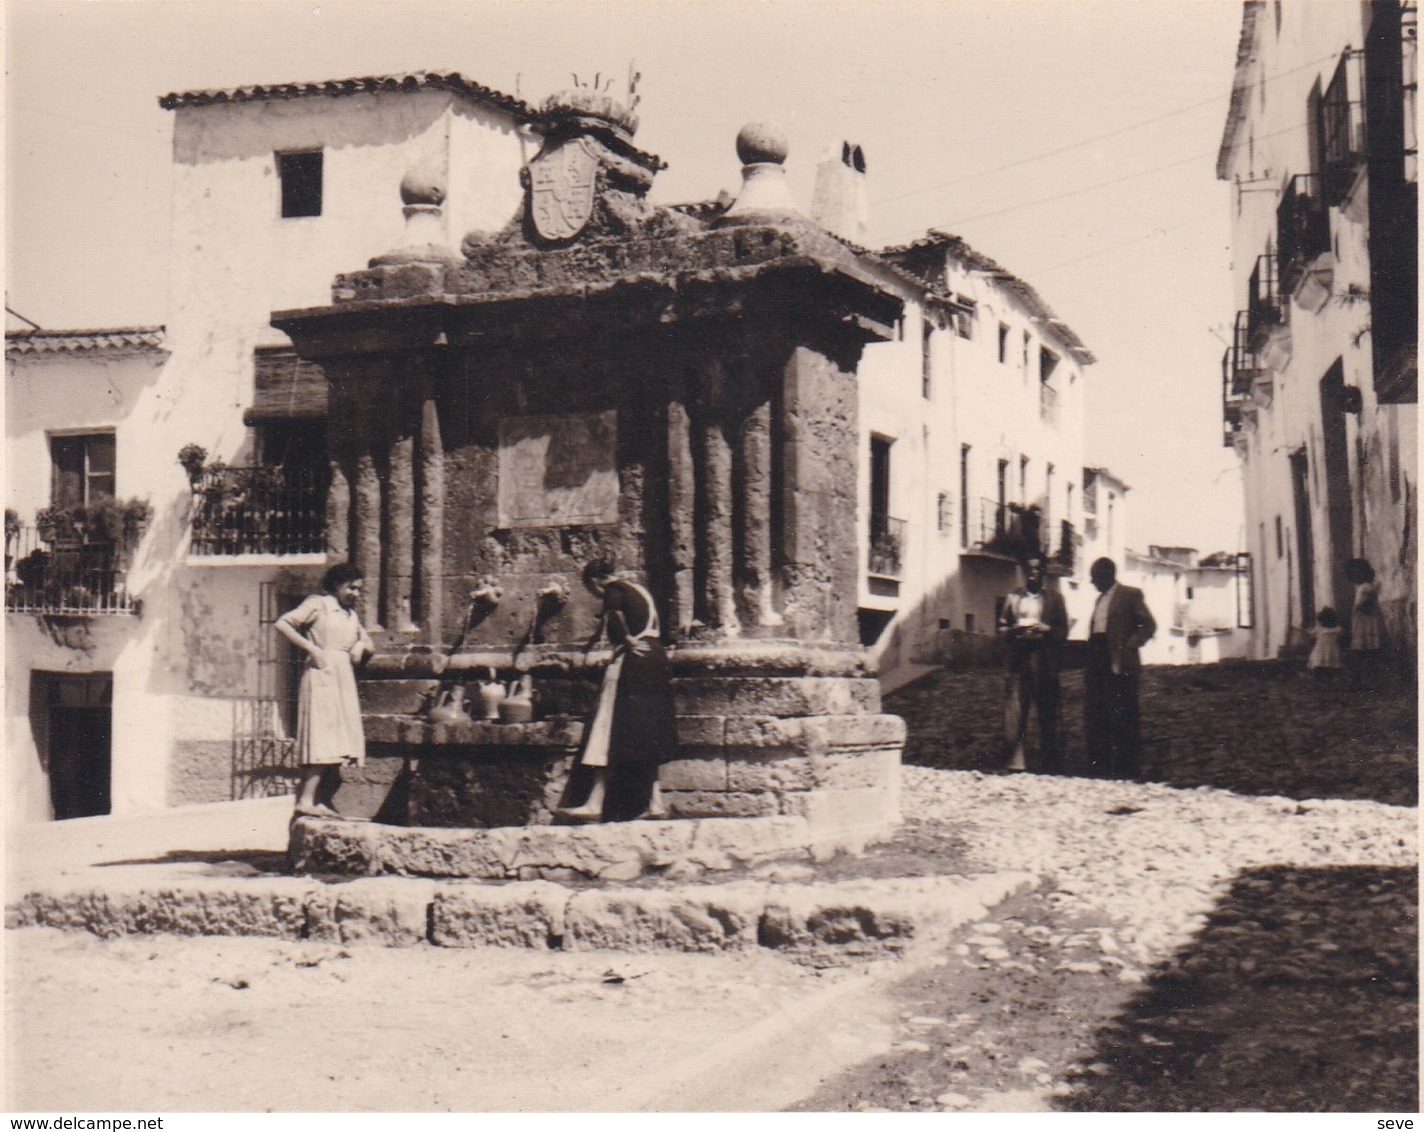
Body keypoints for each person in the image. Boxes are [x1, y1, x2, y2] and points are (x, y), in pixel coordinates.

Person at [557, 561, 676, 823]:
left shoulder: (613, 589)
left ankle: (595, 802)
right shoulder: (640, 591)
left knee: (606, 727)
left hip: (632, 663)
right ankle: (655, 803)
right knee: (647, 731)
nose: (596, 596)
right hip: (655, 660)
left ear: (595, 582)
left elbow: (613, 613)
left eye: (592, 592)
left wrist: (626, 639)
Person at [275, 563, 373, 819]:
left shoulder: (350, 615)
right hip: (322, 674)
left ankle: (321, 799)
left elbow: (368, 641)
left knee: (340, 740)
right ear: (337, 585)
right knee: (322, 737)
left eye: (359, 589)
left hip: (343, 676)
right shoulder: (318, 604)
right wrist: (313, 650)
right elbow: (283, 624)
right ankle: (306, 799)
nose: (356, 593)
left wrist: (360, 645)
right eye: (351, 587)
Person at [1084, 557, 1156, 780]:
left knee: (1124, 713)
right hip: (1098, 658)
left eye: (1095, 576)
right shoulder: (1098, 600)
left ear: (1107, 575)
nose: (1091, 581)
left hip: (1120, 661)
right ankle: (1101, 765)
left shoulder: (1130, 594)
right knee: (1098, 711)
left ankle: (1127, 766)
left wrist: (1131, 645)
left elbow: (1148, 625)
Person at [996, 552, 1068, 773]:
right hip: (1019, 659)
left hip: (1043, 659)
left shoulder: (1055, 599)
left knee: (1047, 710)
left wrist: (1047, 629)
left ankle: (1050, 763)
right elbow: (1001, 627)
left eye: (1037, 569)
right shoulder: (1014, 598)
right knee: (1017, 710)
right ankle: (1016, 761)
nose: (1032, 573)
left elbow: (1063, 630)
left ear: (1043, 572)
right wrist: (1013, 631)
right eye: (1029, 569)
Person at [1345, 557, 1385, 691]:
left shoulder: (1365, 588)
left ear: (1366, 572)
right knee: (1366, 652)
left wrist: (1360, 608)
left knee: (1362, 652)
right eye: (1353, 573)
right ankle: (1366, 681)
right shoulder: (1364, 587)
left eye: (1359, 572)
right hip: (1365, 621)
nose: (1356, 575)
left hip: (1365, 622)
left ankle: (1360, 682)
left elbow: (1365, 605)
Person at [1307, 606, 1344, 682]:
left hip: (1320, 651)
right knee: (1329, 667)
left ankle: (1318, 682)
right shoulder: (1337, 629)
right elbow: (1340, 636)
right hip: (1331, 651)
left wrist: (1308, 631)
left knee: (1318, 667)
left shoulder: (1319, 629)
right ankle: (1327, 682)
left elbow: (1311, 635)